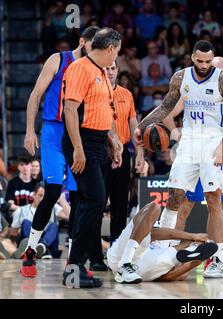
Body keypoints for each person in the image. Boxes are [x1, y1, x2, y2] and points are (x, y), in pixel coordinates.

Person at [133, 40, 223, 279]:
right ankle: (161, 252)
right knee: (175, 196)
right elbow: (165, 107)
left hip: (214, 140)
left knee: (214, 200)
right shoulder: (180, 77)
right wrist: (142, 125)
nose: (203, 65)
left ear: (212, 59)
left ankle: (217, 260)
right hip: (189, 140)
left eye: (207, 61)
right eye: (199, 61)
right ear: (192, 57)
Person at [20, 26, 100, 278]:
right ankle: (31, 249)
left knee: (79, 195)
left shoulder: (93, 68)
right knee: (53, 190)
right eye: (93, 46)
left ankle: (73, 258)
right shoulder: (58, 59)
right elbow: (35, 95)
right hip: (54, 132)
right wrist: (30, 131)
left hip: (78, 133)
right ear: (82, 42)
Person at [61, 28, 123, 288]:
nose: (116, 58)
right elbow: (70, 110)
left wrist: (112, 140)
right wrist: (78, 148)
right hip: (82, 141)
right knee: (95, 199)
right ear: (110, 48)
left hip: (97, 142)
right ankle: (74, 268)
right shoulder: (80, 69)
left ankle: (76, 267)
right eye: (117, 52)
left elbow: (103, 111)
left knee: (92, 201)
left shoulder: (101, 73)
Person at [107, 203, 218, 283]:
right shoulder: (168, 253)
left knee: (154, 208)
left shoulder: (167, 254)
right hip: (135, 262)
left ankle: (124, 265)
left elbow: (166, 277)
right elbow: (167, 277)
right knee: (153, 211)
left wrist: (194, 261)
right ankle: (192, 247)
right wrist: (193, 239)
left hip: (133, 267)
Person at [104, 61, 145, 243]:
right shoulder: (95, 92)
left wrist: (140, 153)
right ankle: (93, 252)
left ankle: (116, 247)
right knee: (98, 202)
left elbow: (134, 124)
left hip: (124, 152)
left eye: (113, 68)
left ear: (118, 71)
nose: (110, 72)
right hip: (102, 152)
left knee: (120, 204)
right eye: (107, 68)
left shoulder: (126, 94)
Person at [10, 183, 69, 259]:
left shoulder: (54, 207)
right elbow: (12, 235)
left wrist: (60, 198)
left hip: (51, 249)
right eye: (40, 195)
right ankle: (42, 248)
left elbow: (69, 216)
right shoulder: (21, 210)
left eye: (45, 197)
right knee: (26, 223)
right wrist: (18, 231)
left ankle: (43, 245)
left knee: (53, 225)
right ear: (33, 195)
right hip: (29, 247)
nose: (42, 199)